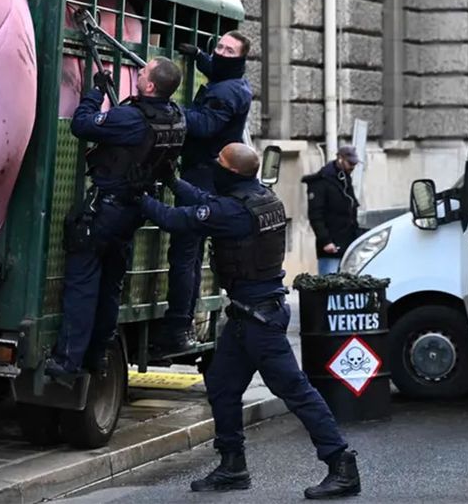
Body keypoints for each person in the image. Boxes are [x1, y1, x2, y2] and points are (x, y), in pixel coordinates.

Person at [139, 142, 362, 498]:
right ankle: (232, 466)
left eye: (220, 163)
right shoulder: (262, 198)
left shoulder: (234, 211)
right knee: (222, 386)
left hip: (260, 319)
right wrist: (173, 181)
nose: (214, 166)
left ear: (230, 173)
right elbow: (206, 204)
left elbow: (175, 219)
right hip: (248, 315)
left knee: (296, 391)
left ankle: (341, 464)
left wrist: (135, 195)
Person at [44, 57, 186, 382]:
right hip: (133, 210)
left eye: (143, 71)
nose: (138, 72)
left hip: (106, 210)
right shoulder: (176, 118)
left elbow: (82, 125)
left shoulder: (131, 119)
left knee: (82, 286)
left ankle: (67, 363)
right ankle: (97, 356)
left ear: (150, 85)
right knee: (110, 287)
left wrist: (94, 94)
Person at [153, 31, 253, 355]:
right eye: (219, 46)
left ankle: (178, 326)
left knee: (184, 254)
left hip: (203, 175)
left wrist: (169, 108)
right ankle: (182, 324)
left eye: (228, 50)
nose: (221, 53)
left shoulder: (227, 93)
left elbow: (205, 124)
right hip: (205, 173)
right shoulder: (232, 80)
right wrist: (198, 55)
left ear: (238, 58)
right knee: (189, 256)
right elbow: (218, 70)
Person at [304, 145, 364, 275]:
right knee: (329, 285)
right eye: (350, 163)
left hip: (348, 242)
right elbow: (315, 215)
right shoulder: (321, 181)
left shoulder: (344, 178)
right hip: (331, 245)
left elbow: (351, 209)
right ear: (340, 159)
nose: (352, 167)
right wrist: (325, 241)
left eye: (354, 164)